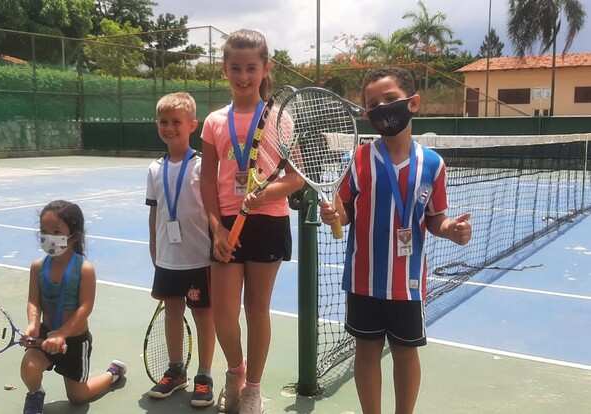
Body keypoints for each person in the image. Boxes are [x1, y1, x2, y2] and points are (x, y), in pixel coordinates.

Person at [320, 67, 472, 414]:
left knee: (406, 352)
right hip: (363, 281)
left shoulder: (432, 164)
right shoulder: (357, 161)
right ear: (367, 115)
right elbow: (344, 213)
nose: (382, 108)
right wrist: (334, 216)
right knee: (366, 352)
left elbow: (434, 217)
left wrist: (450, 228)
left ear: (413, 103)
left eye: (389, 100)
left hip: (408, 283)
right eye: (373, 104)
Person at [200, 29, 304, 414]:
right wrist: (216, 228)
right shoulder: (213, 122)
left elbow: (294, 177)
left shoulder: (280, 118)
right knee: (225, 313)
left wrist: (263, 195)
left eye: (251, 68)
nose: (243, 76)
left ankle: (253, 389)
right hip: (227, 224)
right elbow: (208, 180)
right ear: (224, 69)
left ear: (265, 69)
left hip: (268, 223)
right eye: (235, 68)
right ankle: (235, 371)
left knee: (256, 309)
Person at [144, 92, 216, 407]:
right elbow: (154, 212)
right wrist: (154, 249)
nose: (169, 127)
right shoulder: (154, 169)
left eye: (176, 122)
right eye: (164, 122)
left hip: (200, 257)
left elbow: (212, 209)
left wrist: (215, 250)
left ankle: (204, 374)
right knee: (172, 313)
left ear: (192, 125)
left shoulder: (202, 166)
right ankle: (176, 371)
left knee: (203, 315)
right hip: (167, 259)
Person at [21, 200, 127, 414]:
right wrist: (33, 324)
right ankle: (35, 395)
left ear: (74, 235)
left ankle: (113, 373)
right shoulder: (37, 267)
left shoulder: (85, 269)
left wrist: (62, 334)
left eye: (56, 231)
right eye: (44, 231)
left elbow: (85, 308)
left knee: (79, 397)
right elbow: (34, 301)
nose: (48, 236)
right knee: (29, 367)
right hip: (45, 336)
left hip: (75, 341)